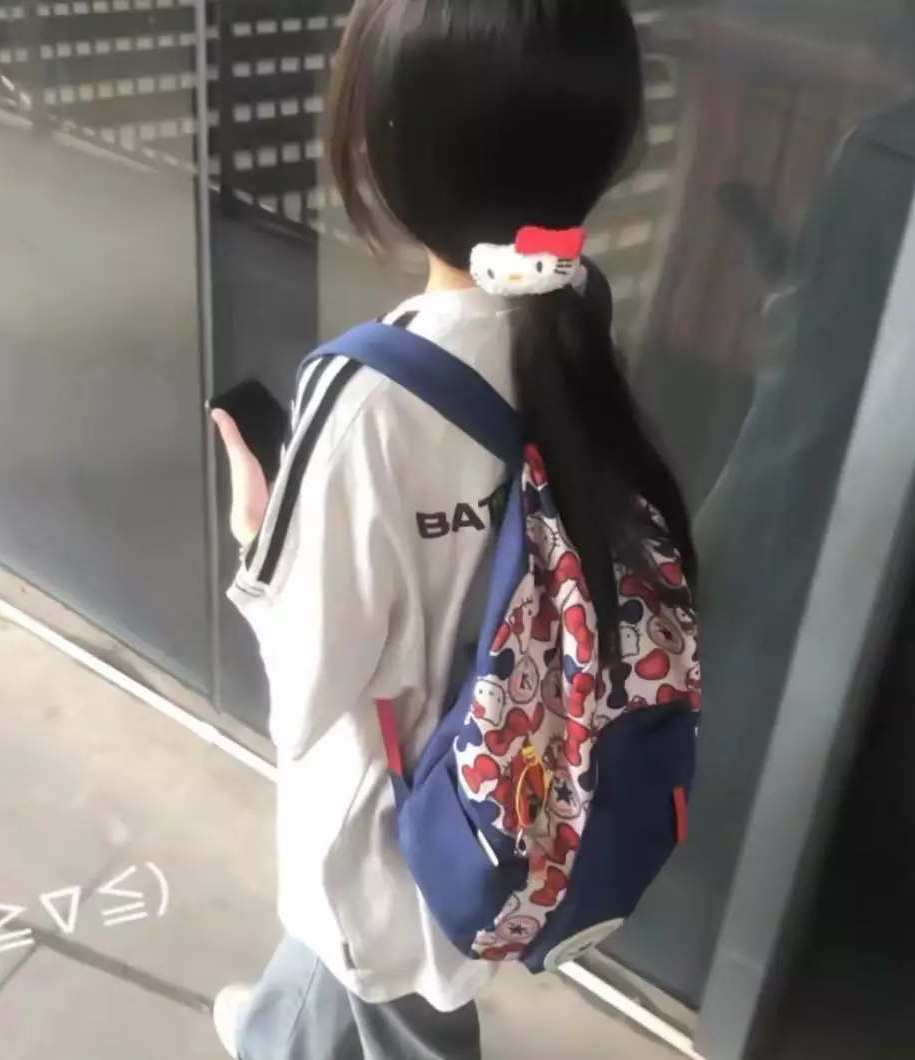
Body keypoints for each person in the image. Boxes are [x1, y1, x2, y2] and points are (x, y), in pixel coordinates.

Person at [209, 2, 697, 1058]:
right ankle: (272, 1026)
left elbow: (306, 694)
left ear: (388, 154)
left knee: (375, 1001)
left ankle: (275, 1035)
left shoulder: (365, 397)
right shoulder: (574, 314)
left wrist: (260, 538)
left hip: (398, 849)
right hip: (513, 816)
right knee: (365, 998)